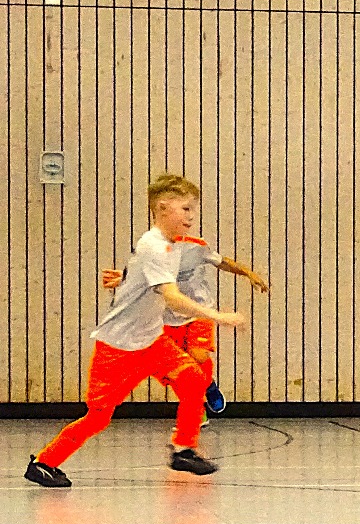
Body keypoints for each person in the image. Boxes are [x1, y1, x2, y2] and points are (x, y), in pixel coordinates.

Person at [25, 174, 247, 488]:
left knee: (195, 379)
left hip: (151, 341)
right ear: (163, 207)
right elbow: (171, 297)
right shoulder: (154, 246)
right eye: (185, 209)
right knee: (98, 417)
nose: (191, 216)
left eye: (193, 209)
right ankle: (44, 463)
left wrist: (126, 280)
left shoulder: (171, 246)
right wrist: (218, 316)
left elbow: (144, 280)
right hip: (118, 348)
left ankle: (183, 450)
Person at [101, 237, 270, 418]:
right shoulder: (150, 248)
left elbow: (223, 262)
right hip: (167, 316)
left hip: (199, 310)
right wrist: (123, 279)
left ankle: (209, 388)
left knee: (198, 355)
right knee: (180, 369)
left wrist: (248, 273)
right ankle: (197, 406)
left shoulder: (196, 246)